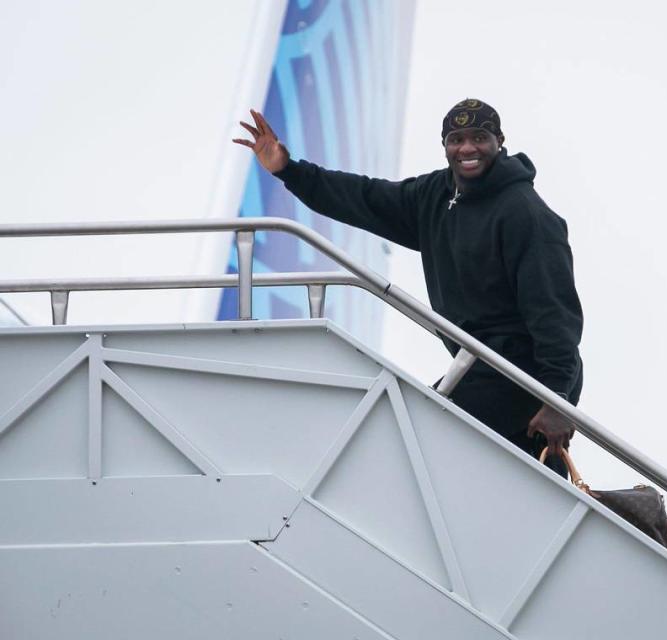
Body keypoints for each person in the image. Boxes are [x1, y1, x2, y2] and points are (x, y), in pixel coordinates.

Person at [233, 99, 583, 475]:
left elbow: (555, 313)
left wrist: (557, 400)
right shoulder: (437, 195)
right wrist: (289, 170)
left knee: (412, 437)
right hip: (479, 365)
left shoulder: (525, 213)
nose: (467, 148)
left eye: (479, 138)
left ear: (499, 141)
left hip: (525, 372)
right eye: (456, 139)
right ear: (445, 145)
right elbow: (363, 197)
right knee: (510, 486)